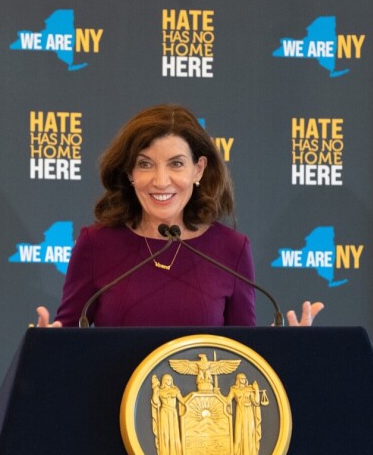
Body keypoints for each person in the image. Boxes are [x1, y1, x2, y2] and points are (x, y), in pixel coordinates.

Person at [35, 103, 323, 328]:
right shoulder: (96, 244)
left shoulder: (231, 250)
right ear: (129, 173)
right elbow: (68, 339)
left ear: (198, 170)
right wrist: (48, 345)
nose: (161, 181)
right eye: (145, 164)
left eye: (176, 164)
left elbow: (241, 356)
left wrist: (287, 348)